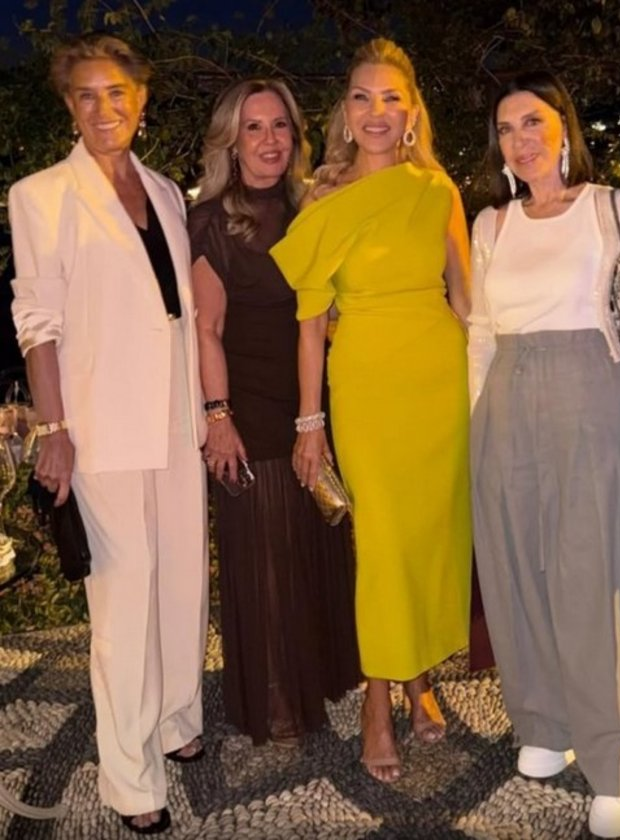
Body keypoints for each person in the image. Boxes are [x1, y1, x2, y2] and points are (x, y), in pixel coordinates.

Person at [9, 34, 208, 835]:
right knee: (124, 603)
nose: (103, 108)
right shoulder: (41, 195)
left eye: (116, 92)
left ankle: (175, 716)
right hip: (100, 424)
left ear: (141, 99)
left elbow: (176, 310)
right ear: (68, 105)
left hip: (175, 414)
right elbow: (38, 322)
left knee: (181, 580)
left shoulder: (164, 191)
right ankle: (131, 779)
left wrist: (205, 411)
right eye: (86, 95)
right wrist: (54, 428)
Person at [271, 39, 472, 782]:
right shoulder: (322, 197)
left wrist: (491, 394)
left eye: (391, 97)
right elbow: (309, 325)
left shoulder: (437, 189)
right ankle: (378, 702)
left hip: (438, 381)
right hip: (364, 385)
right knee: (381, 543)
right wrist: (309, 423)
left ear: (412, 111)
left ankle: (418, 679)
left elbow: (465, 301)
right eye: (362, 96)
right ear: (345, 112)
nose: (377, 111)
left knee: (424, 538)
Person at [469, 70, 620, 838]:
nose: (521, 138)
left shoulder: (609, 208)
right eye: (506, 127)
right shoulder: (490, 225)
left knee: (596, 573)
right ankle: (545, 719)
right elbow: (480, 331)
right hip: (504, 402)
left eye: (533, 121)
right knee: (517, 567)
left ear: (562, 128)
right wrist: (475, 422)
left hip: (588, 396)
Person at [187, 79, 360, 747]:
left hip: (313, 400)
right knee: (263, 556)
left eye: (279, 125)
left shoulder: (311, 208)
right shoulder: (209, 220)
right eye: (253, 128)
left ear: (295, 135)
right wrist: (218, 416)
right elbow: (206, 328)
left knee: (312, 543)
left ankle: (319, 680)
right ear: (231, 141)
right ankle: (275, 699)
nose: (269, 140)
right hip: (249, 406)